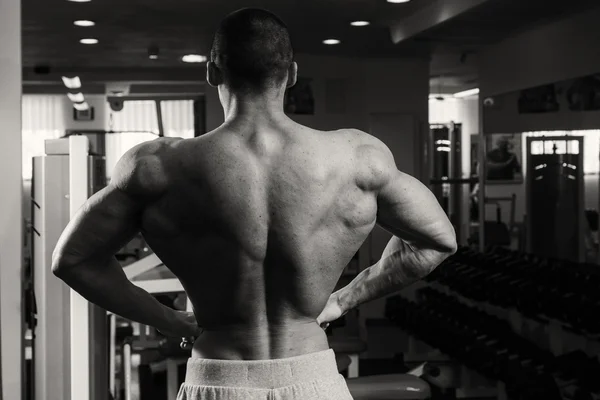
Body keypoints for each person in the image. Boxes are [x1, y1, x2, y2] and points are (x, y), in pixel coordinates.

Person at [52, 8, 457, 400]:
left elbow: (73, 260)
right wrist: (342, 299)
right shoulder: (357, 157)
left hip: (216, 376)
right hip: (312, 377)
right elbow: (436, 241)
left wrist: (167, 319)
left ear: (212, 72)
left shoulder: (157, 167)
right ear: (292, 74)